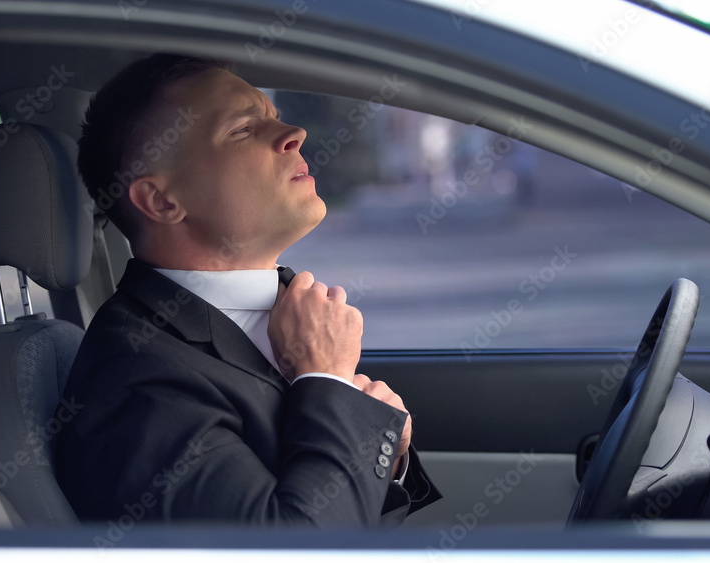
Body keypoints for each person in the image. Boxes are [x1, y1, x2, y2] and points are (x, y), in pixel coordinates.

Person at [54, 54, 440, 526]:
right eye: (242, 129)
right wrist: (330, 385)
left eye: (272, 117)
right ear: (161, 200)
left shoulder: (285, 308)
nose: (293, 133)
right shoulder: (135, 382)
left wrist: (389, 455)